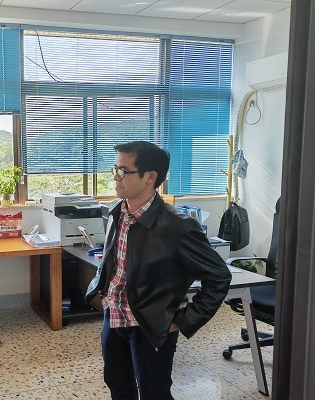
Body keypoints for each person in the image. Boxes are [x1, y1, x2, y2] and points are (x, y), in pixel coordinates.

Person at [86, 141, 232, 400]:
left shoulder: (178, 226)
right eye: (115, 169)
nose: (116, 177)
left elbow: (219, 276)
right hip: (114, 316)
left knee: (154, 393)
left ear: (150, 177)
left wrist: (184, 320)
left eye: (123, 171)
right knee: (118, 386)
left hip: (150, 325)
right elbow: (117, 263)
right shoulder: (117, 211)